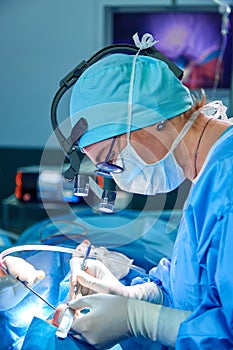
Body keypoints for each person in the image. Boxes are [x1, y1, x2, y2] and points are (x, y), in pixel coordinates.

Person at [53, 34, 233, 349]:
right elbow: (193, 292)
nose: (117, 178)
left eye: (110, 161)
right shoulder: (207, 175)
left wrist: (139, 318)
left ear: (153, 120)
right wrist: (132, 295)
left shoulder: (227, 184)